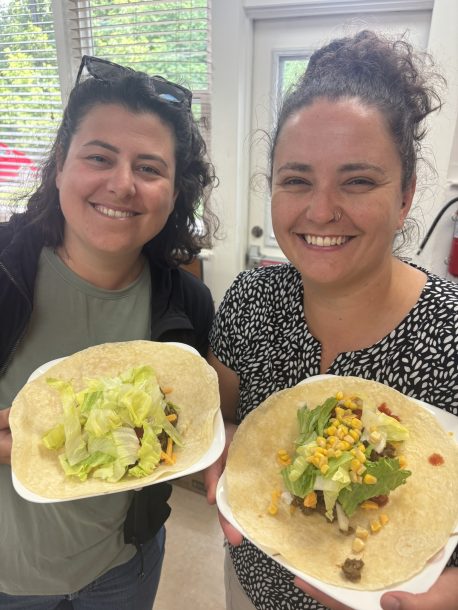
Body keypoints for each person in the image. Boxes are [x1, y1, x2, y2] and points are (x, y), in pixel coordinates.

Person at [205, 30, 458, 610]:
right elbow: (220, 423)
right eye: (297, 180)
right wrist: (218, 450)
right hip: (249, 586)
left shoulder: (451, 333)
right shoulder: (250, 299)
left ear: (406, 195)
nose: (321, 211)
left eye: (359, 180)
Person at [0, 55, 217, 609]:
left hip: (124, 568)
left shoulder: (187, 302)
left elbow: (179, 435)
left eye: (149, 168)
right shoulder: (4, 263)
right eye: (99, 157)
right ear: (60, 165)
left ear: (175, 192)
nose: (122, 185)